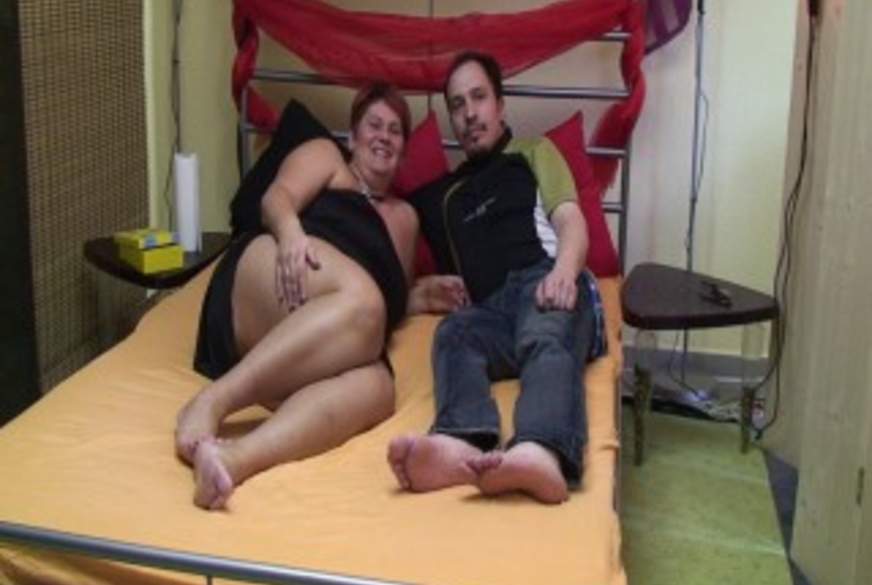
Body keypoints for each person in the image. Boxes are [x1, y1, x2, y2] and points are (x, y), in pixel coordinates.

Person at [175, 82, 418, 510]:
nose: (384, 135)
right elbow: (277, 198)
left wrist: (420, 297)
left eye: (395, 130)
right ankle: (212, 401)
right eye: (374, 125)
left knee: (379, 388)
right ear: (353, 136)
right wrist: (290, 234)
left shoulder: (406, 220)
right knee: (365, 304)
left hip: (335, 325)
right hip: (279, 270)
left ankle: (232, 461)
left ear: (404, 150)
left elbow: (391, 304)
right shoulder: (328, 157)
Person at [387, 51, 605, 505]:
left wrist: (565, 272)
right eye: (457, 105)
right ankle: (464, 439)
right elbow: (388, 217)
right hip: (492, 311)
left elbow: (571, 220)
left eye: (478, 97)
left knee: (545, 330)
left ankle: (542, 450)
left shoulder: (534, 152)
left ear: (500, 105)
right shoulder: (446, 198)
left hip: (545, 279)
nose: (469, 113)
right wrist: (427, 291)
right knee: (454, 334)